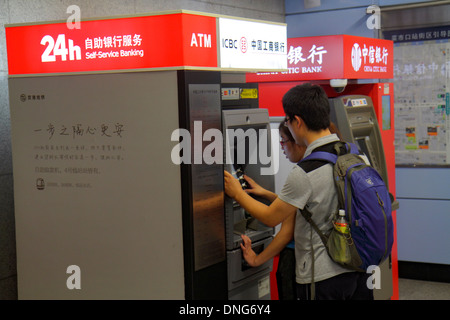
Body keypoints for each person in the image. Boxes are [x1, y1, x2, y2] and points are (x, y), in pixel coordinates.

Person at [224, 83, 373, 300]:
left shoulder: (306, 171)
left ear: (298, 121)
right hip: (357, 268)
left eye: (287, 120)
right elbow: (316, 203)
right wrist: (268, 194)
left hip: (323, 275)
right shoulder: (353, 155)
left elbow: (271, 217)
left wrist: (237, 193)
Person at [240, 121, 306, 300]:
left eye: (283, 141)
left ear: (297, 141)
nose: (282, 148)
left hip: (296, 260)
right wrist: (266, 194)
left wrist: (256, 259)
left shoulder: (303, 173)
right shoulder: (326, 163)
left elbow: (283, 231)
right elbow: (297, 207)